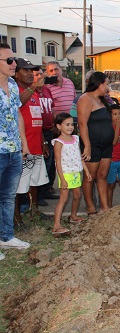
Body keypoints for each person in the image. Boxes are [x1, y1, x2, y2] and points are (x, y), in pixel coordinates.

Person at [0, 43, 31, 258]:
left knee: (8, 196)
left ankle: (6, 236)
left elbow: (18, 114)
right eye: (9, 60)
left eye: (14, 59)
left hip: (14, 149)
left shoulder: (12, 85)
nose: (14, 64)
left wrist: (24, 144)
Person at [13, 58, 50, 224]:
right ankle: (16, 218)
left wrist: (43, 141)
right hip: (22, 148)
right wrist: (33, 86)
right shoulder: (15, 91)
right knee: (16, 184)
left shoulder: (34, 93)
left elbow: (37, 119)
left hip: (36, 145)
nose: (29, 73)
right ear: (16, 72)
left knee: (35, 181)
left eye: (31, 70)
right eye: (25, 70)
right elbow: (18, 102)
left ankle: (34, 211)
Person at [77, 71, 114, 215]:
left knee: (103, 175)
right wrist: (87, 145)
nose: (108, 87)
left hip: (106, 145)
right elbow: (82, 123)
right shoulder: (85, 98)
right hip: (92, 144)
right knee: (89, 176)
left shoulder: (101, 100)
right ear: (99, 84)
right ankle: (90, 206)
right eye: (107, 83)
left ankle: (104, 206)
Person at [52, 113, 91, 237]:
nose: (70, 127)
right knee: (63, 198)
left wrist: (86, 171)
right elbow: (57, 163)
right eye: (67, 124)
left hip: (76, 172)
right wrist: (62, 179)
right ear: (59, 126)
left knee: (77, 195)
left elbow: (80, 157)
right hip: (66, 174)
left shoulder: (76, 139)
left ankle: (73, 216)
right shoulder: (58, 143)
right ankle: (56, 225)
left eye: (71, 124)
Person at [34, 68, 59, 202]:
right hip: (39, 131)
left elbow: (52, 108)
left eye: (41, 74)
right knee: (42, 162)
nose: (40, 77)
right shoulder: (31, 93)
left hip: (50, 130)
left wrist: (56, 124)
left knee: (50, 162)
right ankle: (38, 193)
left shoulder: (46, 90)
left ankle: (47, 189)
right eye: (37, 75)